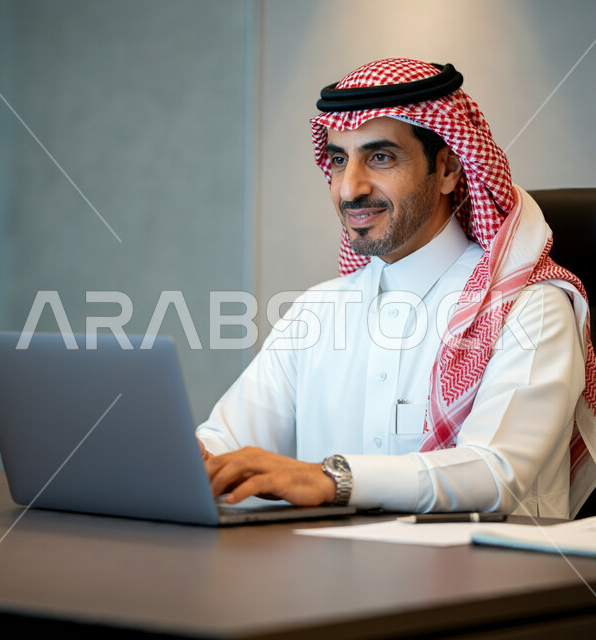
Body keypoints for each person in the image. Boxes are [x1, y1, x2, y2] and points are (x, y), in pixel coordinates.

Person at [196, 58, 596, 519]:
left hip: (487, 583)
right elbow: (224, 443)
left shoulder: (530, 306)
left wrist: (332, 479)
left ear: (447, 169)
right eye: (339, 160)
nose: (350, 188)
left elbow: (496, 473)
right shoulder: (317, 310)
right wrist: (186, 464)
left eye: (380, 157)